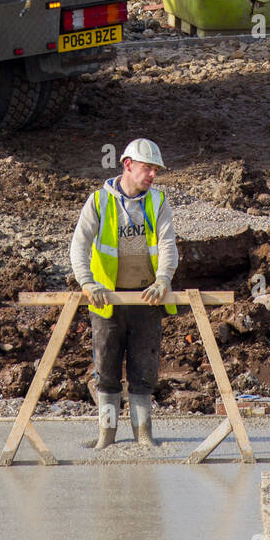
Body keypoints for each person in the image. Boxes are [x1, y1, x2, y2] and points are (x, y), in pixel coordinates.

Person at [70, 137, 179, 448]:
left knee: (144, 369)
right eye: (147, 168)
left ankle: (144, 435)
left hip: (147, 298)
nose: (153, 175)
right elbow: (79, 244)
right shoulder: (99, 202)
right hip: (107, 300)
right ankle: (107, 435)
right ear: (128, 165)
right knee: (106, 368)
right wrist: (87, 282)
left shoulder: (157, 202)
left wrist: (163, 279)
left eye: (156, 170)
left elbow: (168, 244)